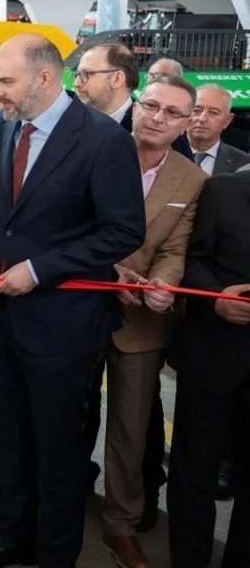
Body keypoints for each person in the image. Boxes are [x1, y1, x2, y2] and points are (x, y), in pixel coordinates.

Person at [0, 35, 144, 568]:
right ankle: (10, 540)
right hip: (1, 319)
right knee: (9, 439)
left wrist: (39, 270)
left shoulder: (103, 140)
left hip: (62, 327)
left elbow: (123, 231)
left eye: (5, 82)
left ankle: (54, 554)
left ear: (45, 78)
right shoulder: (1, 126)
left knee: (58, 449)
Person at [99, 75, 207, 568]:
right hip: (78, 307)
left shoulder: (192, 179)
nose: (158, 117)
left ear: (187, 123)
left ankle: (120, 526)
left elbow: (175, 247)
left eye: (173, 112)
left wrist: (163, 283)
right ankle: (54, 506)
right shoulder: (97, 150)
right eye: (152, 105)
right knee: (65, 417)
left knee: (131, 432)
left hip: (141, 322)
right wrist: (107, 271)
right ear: (136, 106)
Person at [168, 167, 250, 567]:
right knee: (193, 473)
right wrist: (216, 299)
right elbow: (192, 259)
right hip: (213, 355)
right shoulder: (222, 190)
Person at [189, 84, 250, 175]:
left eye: (213, 112)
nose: (202, 119)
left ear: (227, 120)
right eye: (196, 110)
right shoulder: (167, 153)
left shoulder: (245, 164)